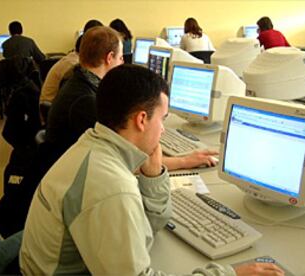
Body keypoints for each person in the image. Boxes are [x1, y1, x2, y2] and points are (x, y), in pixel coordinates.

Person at [20, 64, 284, 276]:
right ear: (142, 119)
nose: (164, 130)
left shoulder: (94, 144)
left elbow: (150, 225)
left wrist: (154, 175)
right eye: (163, 119)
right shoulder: (111, 188)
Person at [47, 26, 217, 170]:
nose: (122, 63)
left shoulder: (77, 81)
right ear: (109, 58)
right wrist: (185, 161)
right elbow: (126, 161)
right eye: (121, 58)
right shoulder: (85, 101)